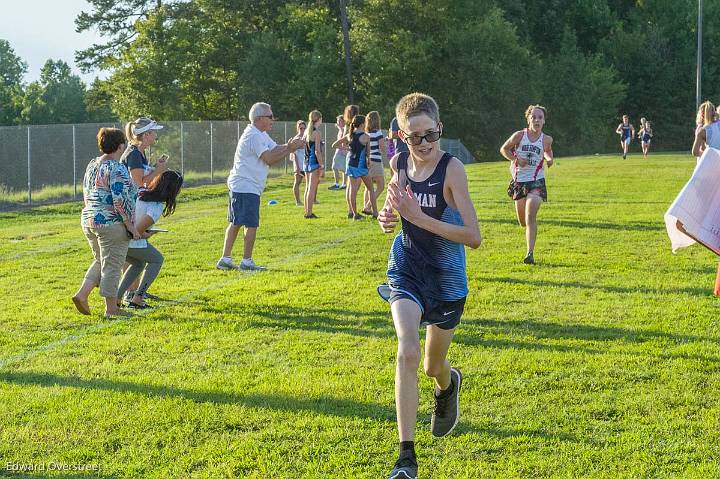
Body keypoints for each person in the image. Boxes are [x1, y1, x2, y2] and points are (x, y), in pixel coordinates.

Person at [377, 93, 481, 479]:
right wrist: (388, 218)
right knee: (406, 349)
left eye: (430, 134)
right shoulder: (399, 162)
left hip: (447, 279)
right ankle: (406, 458)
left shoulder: (452, 171)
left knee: (431, 365)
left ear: (440, 129)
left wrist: (418, 217)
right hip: (406, 268)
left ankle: (446, 384)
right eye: (414, 137)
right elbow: (394, 206)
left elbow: (473, 236)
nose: (424, 144)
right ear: (402, 137)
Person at [216, 102, 305, 271]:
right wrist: (290, 148)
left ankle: (225, 259)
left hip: (244, 185)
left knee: (236, 222)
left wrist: (288, 146)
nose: (273, 119)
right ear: (259, 118)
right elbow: (269, 159)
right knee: (249, 224)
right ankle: (246, 262)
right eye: (270, 116)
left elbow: (274, 148)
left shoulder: (260, 134)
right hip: (245, 185)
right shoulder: (254, 136)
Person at [72, 128, 140, 318]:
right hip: (110, 223)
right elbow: (120, 200)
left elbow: (86, 193)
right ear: (121, 146)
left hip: (89, 219)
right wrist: (130, 226)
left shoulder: (92, 164)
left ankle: (82, 294)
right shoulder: (117, 168)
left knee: (102, 260)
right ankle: (112, 309)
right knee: (112, 265)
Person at [117, 170, 184, 308]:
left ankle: (117, 298)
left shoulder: (142, 192)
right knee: (157, 259)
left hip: (119, 237)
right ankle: (138, 298)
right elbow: (136, 232)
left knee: (139, 263)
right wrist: (148, 234)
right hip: (129, 240)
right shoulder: (155, 207)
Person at [500, 104, 555, 265]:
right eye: (534, 117)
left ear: (544, 121)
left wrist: (549, 158)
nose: (537, 120)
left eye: (540, 117)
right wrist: (516, 159)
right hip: (519, 181)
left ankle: (530, 253)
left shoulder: (546, 139)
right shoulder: (519, 136)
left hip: (537, 180)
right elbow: (504, 149)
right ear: (528, 119)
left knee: (531, 216)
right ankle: (528, 241)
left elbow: (548, 150)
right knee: (523, 221)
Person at [332, 114, 378, 220]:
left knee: (352, 190)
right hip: (361, 166)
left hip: (351, 164)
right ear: (362, 124)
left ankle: (354, 214)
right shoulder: (366, 136)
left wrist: (347, 149)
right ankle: (375, 213)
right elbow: (368, 154)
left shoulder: (349, 135)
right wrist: (369, 162)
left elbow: (334, 145)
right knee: (371, 189)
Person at [122, 117, 168, 187]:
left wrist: (156, 167)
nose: (156, 135)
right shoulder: (134, 154)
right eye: (154, 132)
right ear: (146, 135)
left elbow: (143, 176)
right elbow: (139, 184)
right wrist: (157, 171)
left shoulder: (140, 151)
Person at [363, 111, 387, 216]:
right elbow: (382, 147)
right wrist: (386, 146)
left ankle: (366, 207)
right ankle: (368, 206)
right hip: (376, 160)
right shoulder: (378, 132)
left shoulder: (366, 133)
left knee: (368, 187)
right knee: (381, 186)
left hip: (367, 160)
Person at [303, 110, 324, 219]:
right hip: (314, 162)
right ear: (319, 119)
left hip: (306, 162)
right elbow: (317, 151)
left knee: (307, 188)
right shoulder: (317, 133)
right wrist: (321, 165)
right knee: (311, 188)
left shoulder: (307, 131)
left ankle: (306, 211)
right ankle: (309, 213)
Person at [289, 120, 307, 206]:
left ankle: (312, 200)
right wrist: (297, 168)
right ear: (297, 128)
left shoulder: (307, 138)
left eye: (304, 128)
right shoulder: (295, 139)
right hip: (299, 165)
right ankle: (298, 202)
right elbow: (294, 155)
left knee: (312, 182)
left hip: (307, 165)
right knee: (297, 182)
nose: (302, 130)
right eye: (300, 128)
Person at [328, 115, 348, 190]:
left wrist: (340, 128)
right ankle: (343, 184)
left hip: (342, 151)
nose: (338, 122)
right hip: (339, 150)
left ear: (343, 121)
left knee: (335, 166)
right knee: (340, 168)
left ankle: (339, 184)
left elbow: (343, 138)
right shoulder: (341, 130)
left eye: (339, 121)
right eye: (337, 121)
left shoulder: (344, 129)